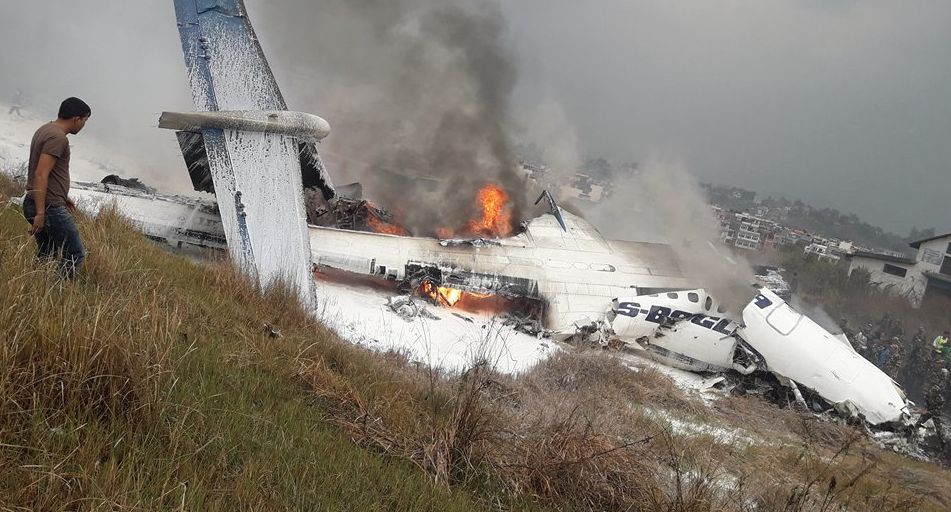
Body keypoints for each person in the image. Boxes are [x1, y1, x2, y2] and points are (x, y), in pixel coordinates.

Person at [22, 97, 90, 279]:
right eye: (85, 120)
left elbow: (46, 172)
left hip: (37, 200)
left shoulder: (45, 129)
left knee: (47, 251)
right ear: (77, 119)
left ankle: (33, 285)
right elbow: (41, 174)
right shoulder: (58, 138)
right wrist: (41, 213)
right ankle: (57, 291)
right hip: (48, 207)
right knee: (75, 253)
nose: (84, 125)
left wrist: (62, 196)